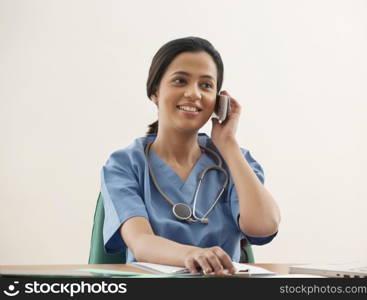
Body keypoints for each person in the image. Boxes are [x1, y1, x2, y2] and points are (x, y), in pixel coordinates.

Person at [101, 36, 280, 275]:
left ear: (219, 100)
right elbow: (141, 242)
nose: (193, 93)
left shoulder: (236, 160)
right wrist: (191, 255)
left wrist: (228, 144)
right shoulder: (124, 165)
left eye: (206, 85)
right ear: (155, 92)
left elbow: (263, 227)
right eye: (180, 81)